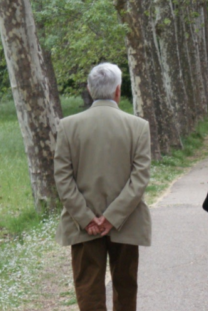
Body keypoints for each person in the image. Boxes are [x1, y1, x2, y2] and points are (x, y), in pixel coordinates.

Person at [54, 63, 152, 311]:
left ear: (89, 88)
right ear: (118, 90)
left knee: (88, 291)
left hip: (83, 226)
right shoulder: (138, 127)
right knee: (126, 289)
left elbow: (62, 180)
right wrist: (111, 218)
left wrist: (88, 219)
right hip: (127, 222)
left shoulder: (67, 126)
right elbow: (139, 179)